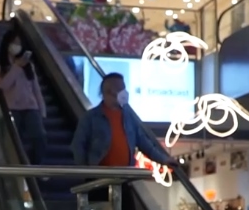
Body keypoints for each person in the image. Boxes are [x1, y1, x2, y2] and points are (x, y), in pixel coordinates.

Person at [71, 72, 177, 200]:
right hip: (98, 181)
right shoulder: (90, 118)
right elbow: (78, 145)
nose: (125, 93)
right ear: (108, 92)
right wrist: (86, 172)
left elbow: (143, 143)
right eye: (121, 89)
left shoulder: (129, 117)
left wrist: (163, 160)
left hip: (123, 179)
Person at [0, 29, 47, 165]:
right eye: (14, 42)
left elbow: (35, 89)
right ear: (7, 43)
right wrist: (16, 67)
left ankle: (35, 166)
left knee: (40, 137)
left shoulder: (28, 65)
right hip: (12, 109)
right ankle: (19, 167)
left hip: (31, 107)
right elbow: (3, 84)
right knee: (15, 141)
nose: (16, 46)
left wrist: (42, 109)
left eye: (19, 43)